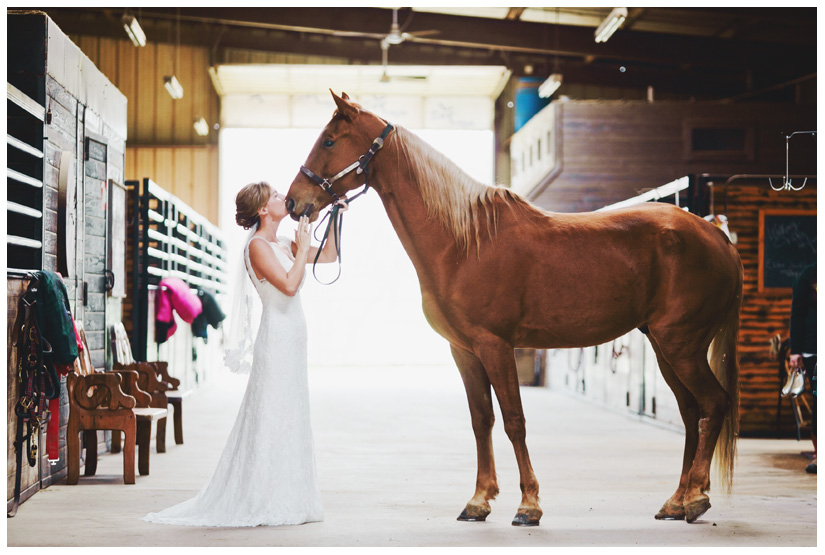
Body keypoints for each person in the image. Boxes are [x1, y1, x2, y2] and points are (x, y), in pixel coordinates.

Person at [143, 182, 339, 526]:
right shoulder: (258, 248)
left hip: (294, 337)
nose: (282, 197)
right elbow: (290, 286)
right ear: (263, 209)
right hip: (276, 338)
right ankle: (263, 496)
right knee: (272, 412)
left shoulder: (281, 243)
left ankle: (290, 492)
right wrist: (303, 246)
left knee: (291, 412)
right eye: (276, 195)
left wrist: (333, 216)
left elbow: (329, 256)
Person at [789, 262, 816, 474]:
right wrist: (795, 350)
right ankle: (818, 454)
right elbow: (797, 312)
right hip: (813, 347)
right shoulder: (809, 274)